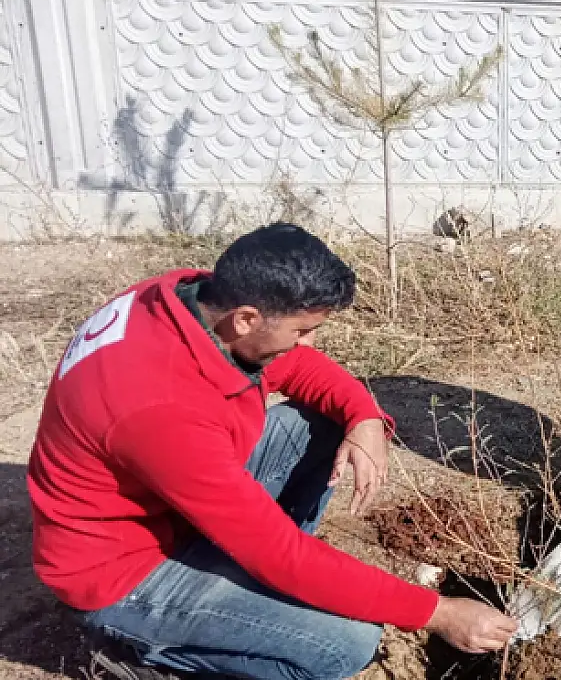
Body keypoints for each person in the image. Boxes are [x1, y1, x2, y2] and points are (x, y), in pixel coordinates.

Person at [27, 223, 517, 679]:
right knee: (344, 646)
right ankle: (139, 656)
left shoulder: (186, 302)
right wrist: (440, 613)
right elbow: (281, 555)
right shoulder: (156, 408)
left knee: (323, 423)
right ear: (245, 319)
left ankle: (259, 585)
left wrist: (364, 415)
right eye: (301, 331)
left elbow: (294, 368)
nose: (310, 343)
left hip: (174, 503)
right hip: (122, 572)